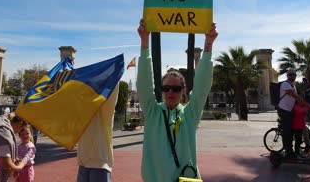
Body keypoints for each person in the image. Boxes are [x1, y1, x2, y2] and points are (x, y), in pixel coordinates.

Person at [136, 19, 218, 181]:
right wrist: (144, 43)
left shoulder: (190, 115)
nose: (170, 92)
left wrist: (208, 45)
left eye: (176, 88)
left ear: (183, 91)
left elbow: (202, 88)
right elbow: (144, 86)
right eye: (166, 88)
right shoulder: (153, 113)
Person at [76, 61, 119, 182]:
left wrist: (114, 72)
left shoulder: (104, 113)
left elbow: (112, 95)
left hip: (100, 165)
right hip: (83, 163)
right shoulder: (81, 111)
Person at [277, 69, 310, 158]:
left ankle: (293, 150)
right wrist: (309, 106)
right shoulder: (285, 84)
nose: (292, 76)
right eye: (290, 75)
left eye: (294, 75)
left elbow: (295, 100)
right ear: (287, 76)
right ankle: (289, 152)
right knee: (287, 131)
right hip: (284, 110)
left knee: (294, 130)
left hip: (290, 111)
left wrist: (304, 108)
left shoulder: (293, 85)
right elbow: (295, 96)